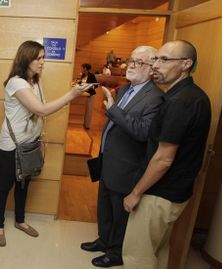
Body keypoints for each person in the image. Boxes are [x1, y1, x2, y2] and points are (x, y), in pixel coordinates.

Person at [0, 40, 92, 247]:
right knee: (6, 184)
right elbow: (41, 110)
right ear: (26, 58)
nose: (42, 62)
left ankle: (20, 221)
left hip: (30, 143)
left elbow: (41, 109)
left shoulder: (35, 81)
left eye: (43, 57)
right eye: (38, 58)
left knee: (24, 183)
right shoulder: (16, 82)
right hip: (11, 145)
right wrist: (71, 95)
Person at [122, 40, 211, 268]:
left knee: (137, 257)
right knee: (158, 251)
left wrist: (135, 192)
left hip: (159, 193)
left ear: (185, 64)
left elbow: (163, 158)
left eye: (164, 59)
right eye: (156, 59)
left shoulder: (180, 102)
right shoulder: (195, 95)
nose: (156, 65)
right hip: (176, 192)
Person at [80, 46, 164, 268]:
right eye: (131, 60)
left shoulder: (156, 98)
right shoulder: (126, 89)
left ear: (152, 69)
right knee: (104, 206)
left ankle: (116, 252)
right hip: (108, 159)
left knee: (120, 212)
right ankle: (104, 240)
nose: (131, 65)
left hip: (127, 166)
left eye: (138, 62)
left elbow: (142, 132)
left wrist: (113, 109)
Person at [81, 63, 98, 129]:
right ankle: (83, 123)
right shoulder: (83, 75)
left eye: (82, 68)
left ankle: (87, 125)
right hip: (84, 93)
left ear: (85, 68)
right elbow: (82, 83)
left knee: (89, 110)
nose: (81, 69)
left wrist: (91, 86)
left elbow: (96, 85)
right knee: (84, 110)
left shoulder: (91, 75)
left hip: (90, 94)